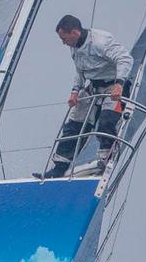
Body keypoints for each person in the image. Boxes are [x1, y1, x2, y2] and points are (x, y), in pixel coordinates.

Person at [38, 14, 133, 179]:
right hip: (93, 87)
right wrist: (75, 91)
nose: (63, 42)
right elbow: (80, 70)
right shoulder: (74, 46)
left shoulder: (101, 42)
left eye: (64, 38)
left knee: (106, 122)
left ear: (74, 32)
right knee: (73, 126)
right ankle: (59, 167)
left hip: (114, 87)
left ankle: (105, 161)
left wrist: (119, 84)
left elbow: (125, 59)